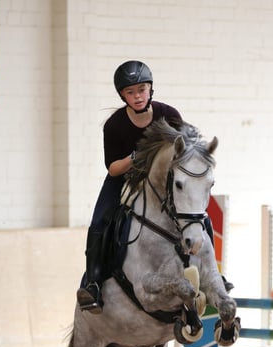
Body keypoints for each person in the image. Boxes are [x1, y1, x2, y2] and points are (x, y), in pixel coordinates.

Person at [76, 60, 232, 314]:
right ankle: (92, 283)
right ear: (122, 95)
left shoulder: (169, 114)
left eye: (141, 90)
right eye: (130, 92)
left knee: (199, 217)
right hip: (124, 178)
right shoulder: (114, 125)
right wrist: (137, 158)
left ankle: (214, 275)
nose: (137, 97)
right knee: (99, 222)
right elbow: (113, 168)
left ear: (150, 90)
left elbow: (187, 150)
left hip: (163, 181)